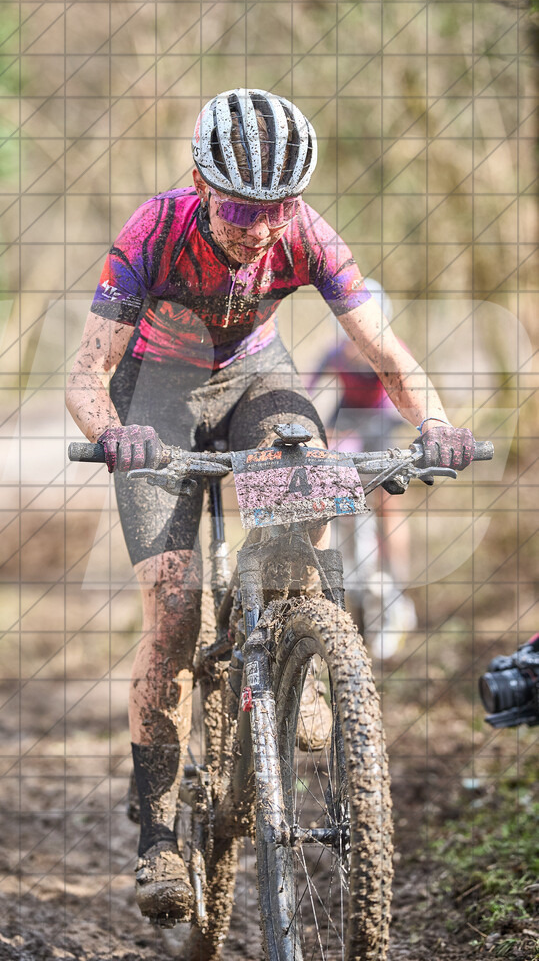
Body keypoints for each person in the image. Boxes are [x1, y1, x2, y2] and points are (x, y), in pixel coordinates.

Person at [66, 88, 476, 925]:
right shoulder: (153, 231)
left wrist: (433, 421)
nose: (260, 225)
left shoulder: (308, 236)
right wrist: (113, 434)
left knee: (307, 459)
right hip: (156, 393)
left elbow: (385, 354)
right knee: (174, 608)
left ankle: (298, 639)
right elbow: (85, 374)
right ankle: (157, 842)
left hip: (257, 379)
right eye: (240, 207)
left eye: (278, 207)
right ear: (198, 183)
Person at [310, 278, 418, 659]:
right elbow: (309, 393)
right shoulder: (335, 354)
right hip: (346, 421)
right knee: (340, 501)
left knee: (387, 505)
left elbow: (406, 395)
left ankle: (398, 590)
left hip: (382, 421)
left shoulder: (391, 351)